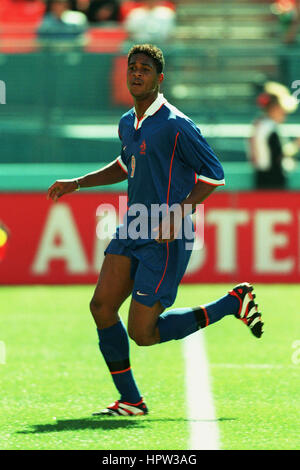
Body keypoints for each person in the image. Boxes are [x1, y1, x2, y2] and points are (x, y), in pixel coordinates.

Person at [47, 44, 264, 417]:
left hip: (166, 235)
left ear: (159, 78)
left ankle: (232, 303)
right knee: (101, 307)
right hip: (133, 225)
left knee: (143, 334)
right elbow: (125, 163)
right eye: (132, 67)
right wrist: (78, 182)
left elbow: (214, 176)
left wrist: (177, 216)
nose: (136, 73)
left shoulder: (177, 124)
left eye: (145, 68)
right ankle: (131, 400)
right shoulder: (127, 121)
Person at [249, 81, 300, 190]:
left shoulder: (260, 124)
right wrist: (296, 144)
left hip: (263, 179)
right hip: (271, 182)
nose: (285, 114)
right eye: (283, 110)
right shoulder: (269, 129)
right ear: (274, 108)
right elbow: (278, 155)